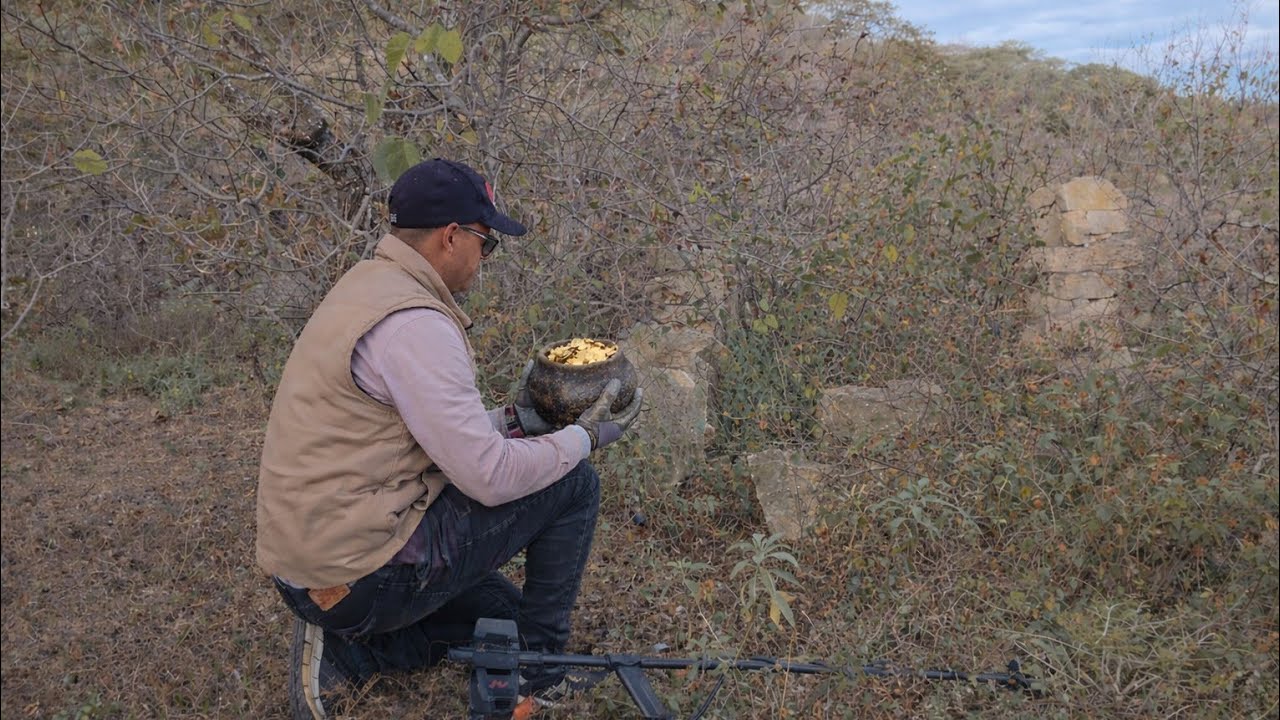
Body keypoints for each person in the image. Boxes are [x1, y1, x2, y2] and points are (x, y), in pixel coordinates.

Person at [255, 157, 643, 720]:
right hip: (359, 571)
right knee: (574, 483)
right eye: (487, 244)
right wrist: (582, 439)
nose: (485, 260)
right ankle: (539, 673)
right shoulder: (417, 326)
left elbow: (425, 435)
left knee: (500, 619)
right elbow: (488, 476)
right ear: (451, 236)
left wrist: (516, 422)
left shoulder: (366, 287)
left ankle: (349, 650)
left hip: (313, 558)